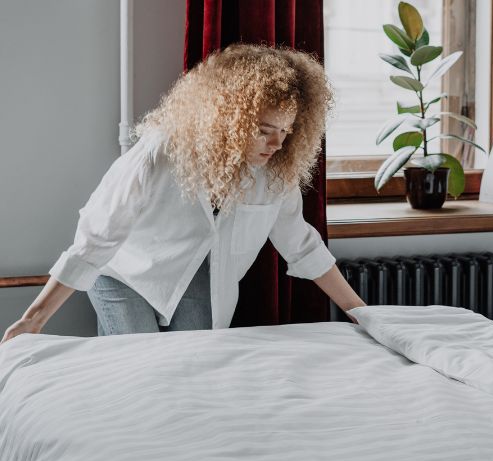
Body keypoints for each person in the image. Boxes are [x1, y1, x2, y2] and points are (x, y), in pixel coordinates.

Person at [1, 44, 366, 343]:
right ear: (229, 118)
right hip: (126, 273)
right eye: (264, 129)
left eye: (286, 131)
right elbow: (96, 238)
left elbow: (301, 244)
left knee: (191, 370)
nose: (277, 143)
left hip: (197, 276)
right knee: (139, 371)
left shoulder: (276, 171)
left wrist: (362, 314)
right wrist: (33, 319)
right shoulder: (161, 152)